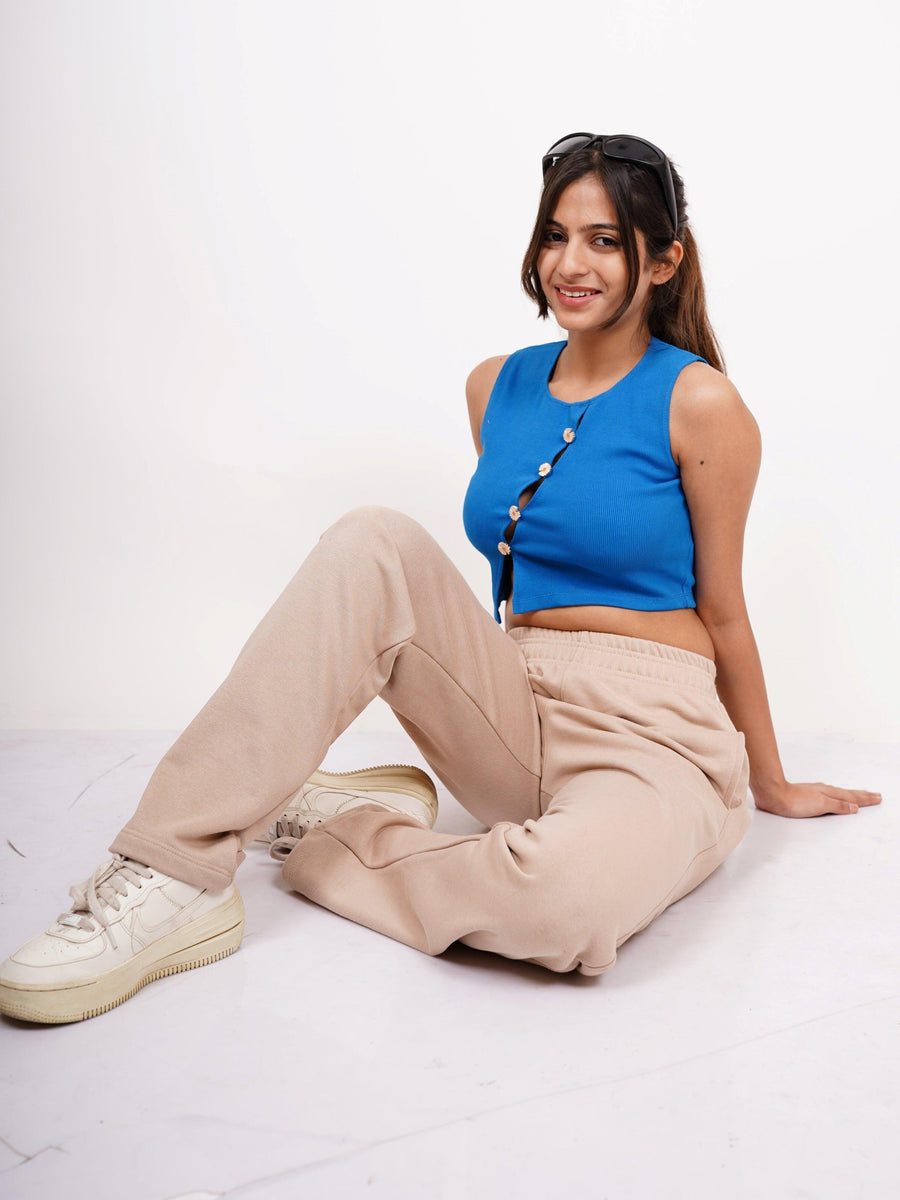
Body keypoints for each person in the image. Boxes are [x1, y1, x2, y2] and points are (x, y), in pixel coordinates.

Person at [0, 132, 881, 1025]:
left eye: (605, 241)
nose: (569, 264)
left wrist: (769, 781)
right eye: (555, 236)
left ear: (663, 261)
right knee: (373, 540)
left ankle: (335, 832)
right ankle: (171, 870)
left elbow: (724, 612)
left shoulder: (700, 402)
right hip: (514, 702)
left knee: (566, 907)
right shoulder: (495, 387)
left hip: (655, 734)